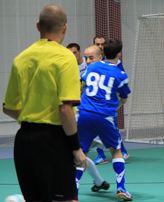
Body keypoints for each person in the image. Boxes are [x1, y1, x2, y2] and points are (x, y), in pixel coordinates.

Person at [2, 4, 86, 202]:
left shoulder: (21, 59)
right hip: (54, 142)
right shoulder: (66, 58)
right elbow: (65, 109)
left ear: (37, 26)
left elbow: (9, 107)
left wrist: (32, 118)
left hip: (25, 141)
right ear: (65, 27)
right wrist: (76, 148)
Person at [76, 39, 133, 201]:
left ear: (103, 53)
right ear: (119, 53)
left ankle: (73, 193)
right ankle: (121, 188)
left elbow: (82, 84)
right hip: (105, 116)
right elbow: (124, 98)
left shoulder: (91, 67)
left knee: (81, 153)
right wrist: (115, 106)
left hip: (85, 114)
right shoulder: (120, 75)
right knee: (116, 151)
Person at [91, 37, 130, 165]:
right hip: (97, 102)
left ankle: (121, 152)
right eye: (98, 44)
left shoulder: (117, 65)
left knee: (112, 127)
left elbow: (121, 85)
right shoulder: (95, 62)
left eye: (102, 44)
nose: (100, 46)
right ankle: (102, 155)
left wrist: (117, 103)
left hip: (110, 102)